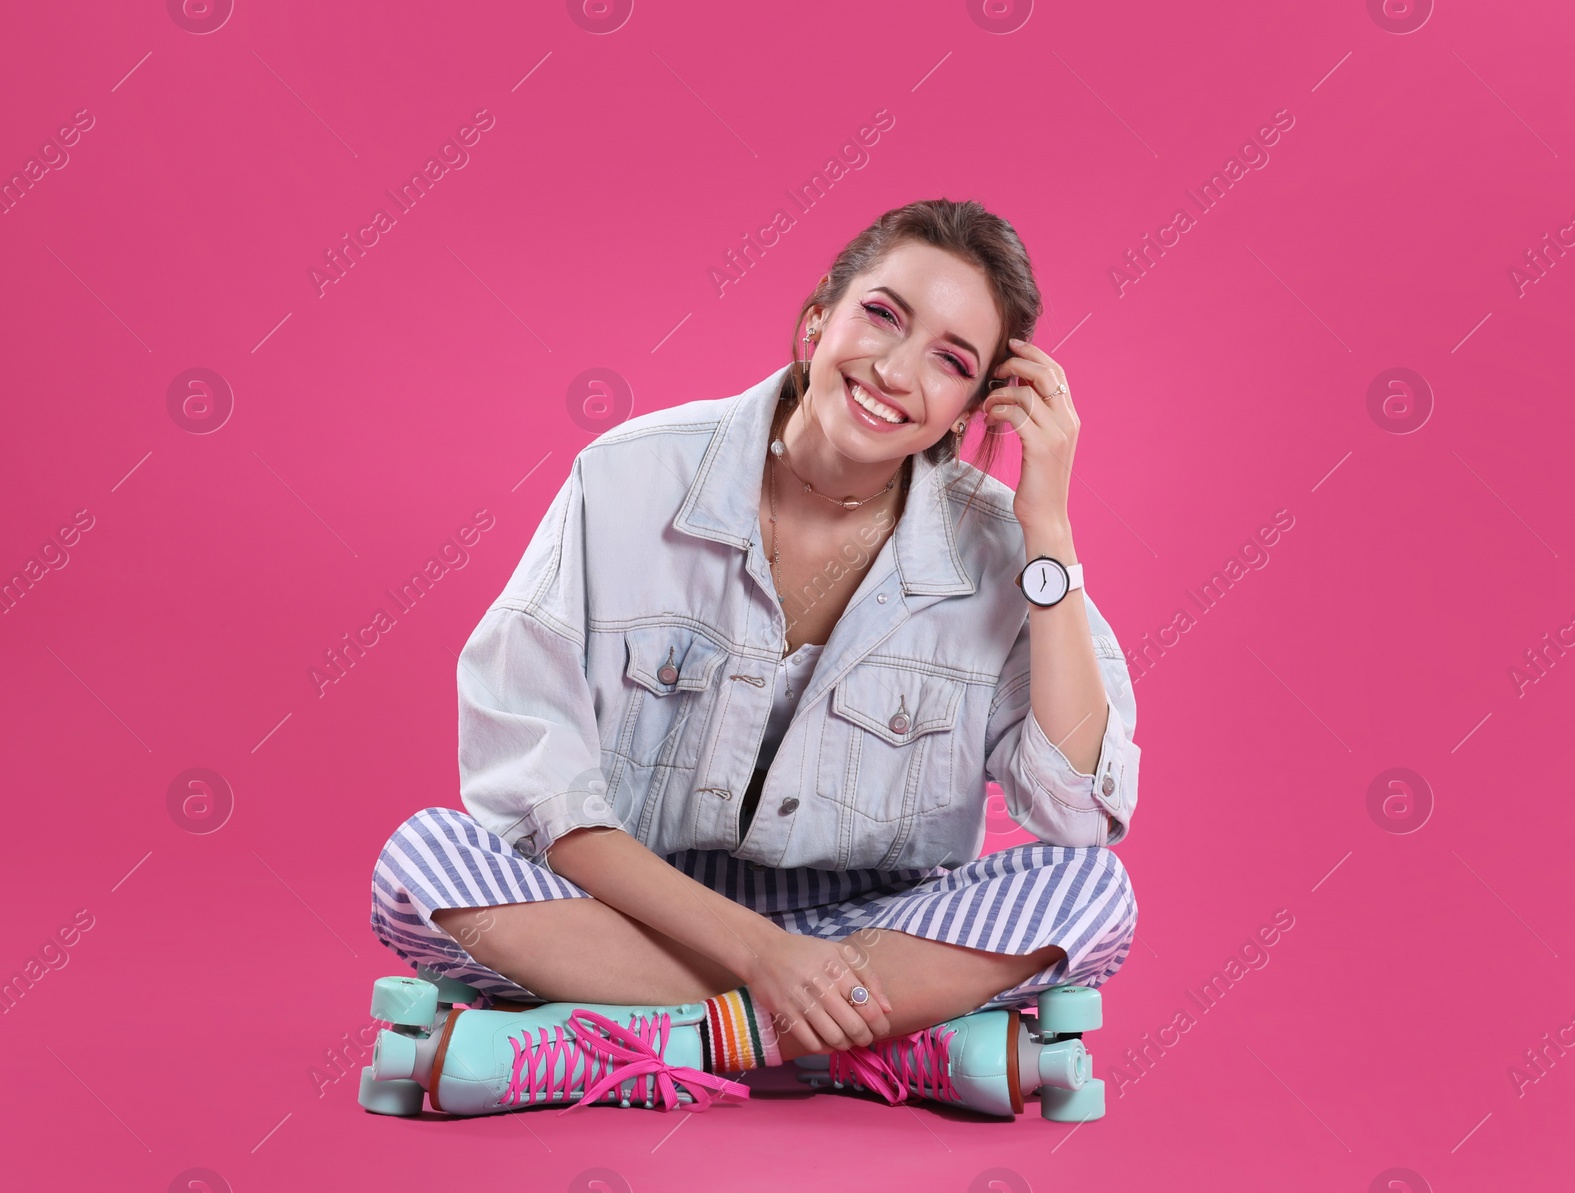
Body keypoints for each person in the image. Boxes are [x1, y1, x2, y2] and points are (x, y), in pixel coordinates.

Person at [369, 198, 1141, 1115]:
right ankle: (874, 1049)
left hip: (869, 932)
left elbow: (1074, 812)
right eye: (883, 315)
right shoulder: (626, 478)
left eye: (951, 360)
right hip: (639, 914)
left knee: (1092, 892)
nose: (895, 371)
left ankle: (620, 1047)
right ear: (819, 318)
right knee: (423, 864)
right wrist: (762, 957)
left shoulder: (999, 544)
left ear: (971, 409)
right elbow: (535, 785)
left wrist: (1046, 530)